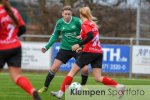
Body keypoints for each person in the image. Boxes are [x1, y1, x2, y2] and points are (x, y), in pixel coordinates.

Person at [50, 6, 125, 99]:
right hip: (98, 52)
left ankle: (60, 93)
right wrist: (81, 38)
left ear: (81, 15)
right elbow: (90, 36)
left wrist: (79, 45)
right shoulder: (92, 24)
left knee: (72, 72)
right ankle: (118, 87)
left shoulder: (85, 24)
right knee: (98, 77)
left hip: (89, 52)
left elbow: (90, 36)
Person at [38, 6, 89, 93]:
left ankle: (83, 86)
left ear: (71, 14)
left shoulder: (77, 21)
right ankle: (45, 87)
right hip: (65, 48)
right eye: (65, 14)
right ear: (62, 14)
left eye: (69, 14)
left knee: (85, 69)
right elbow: (55, 36)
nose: (67, 16)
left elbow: (87, 32)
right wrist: (46, 47)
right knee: (53, 68)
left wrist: (81, 45)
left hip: (77, 48)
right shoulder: (59, 23)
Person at [0, 0, 41, 100]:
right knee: (17, 76)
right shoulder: (14, 11)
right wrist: (12, 38)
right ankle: (32, 91)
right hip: (15, 47)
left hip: (1, 48)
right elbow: (22, 28)